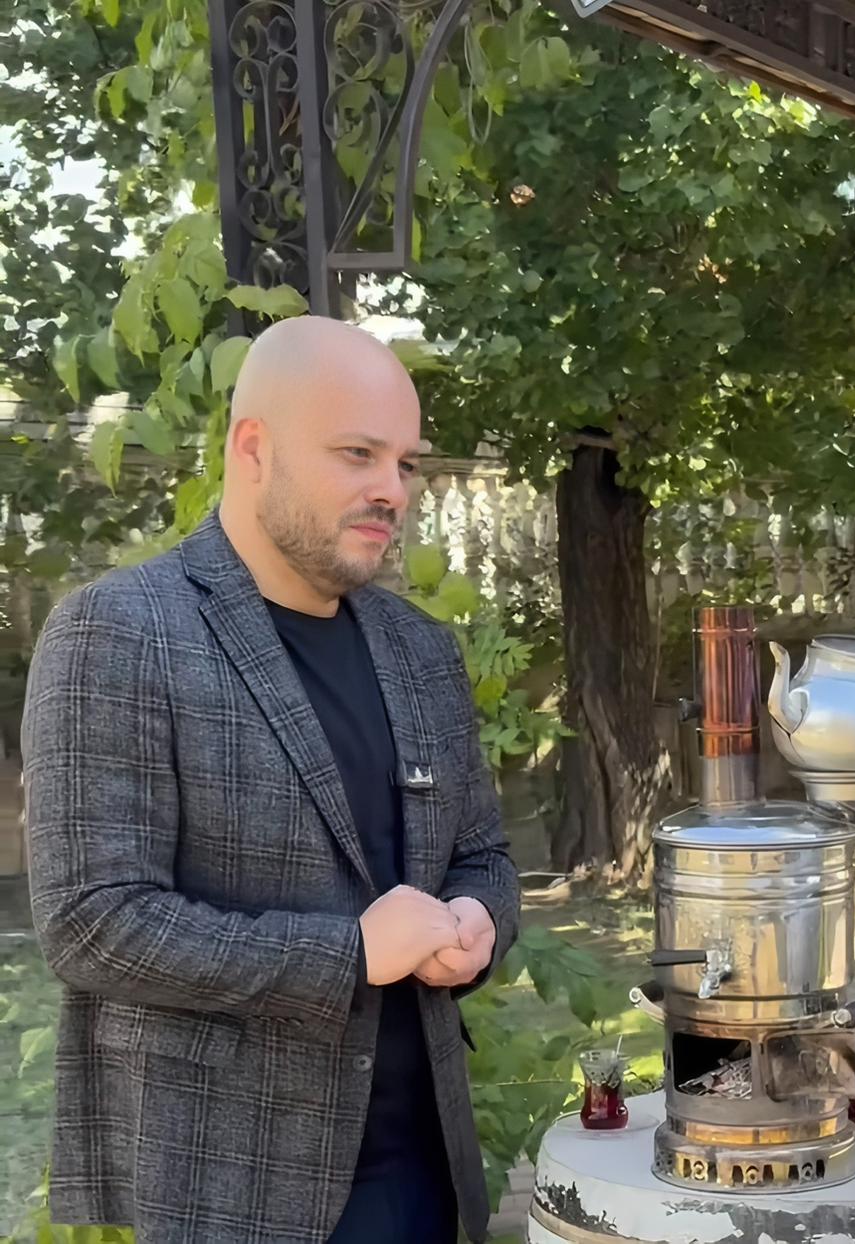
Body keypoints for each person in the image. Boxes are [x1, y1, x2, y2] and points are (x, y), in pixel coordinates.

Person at [23, 315, 520, 1244]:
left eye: (406, 463)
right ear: (253, 448)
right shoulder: (120, 631)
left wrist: (478, 919)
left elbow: (483, 856)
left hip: (424, 1174)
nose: (392, 489)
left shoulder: (421, 651)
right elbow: (93, 920)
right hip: (231, 1195)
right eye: (358, 454)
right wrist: (348, 955)